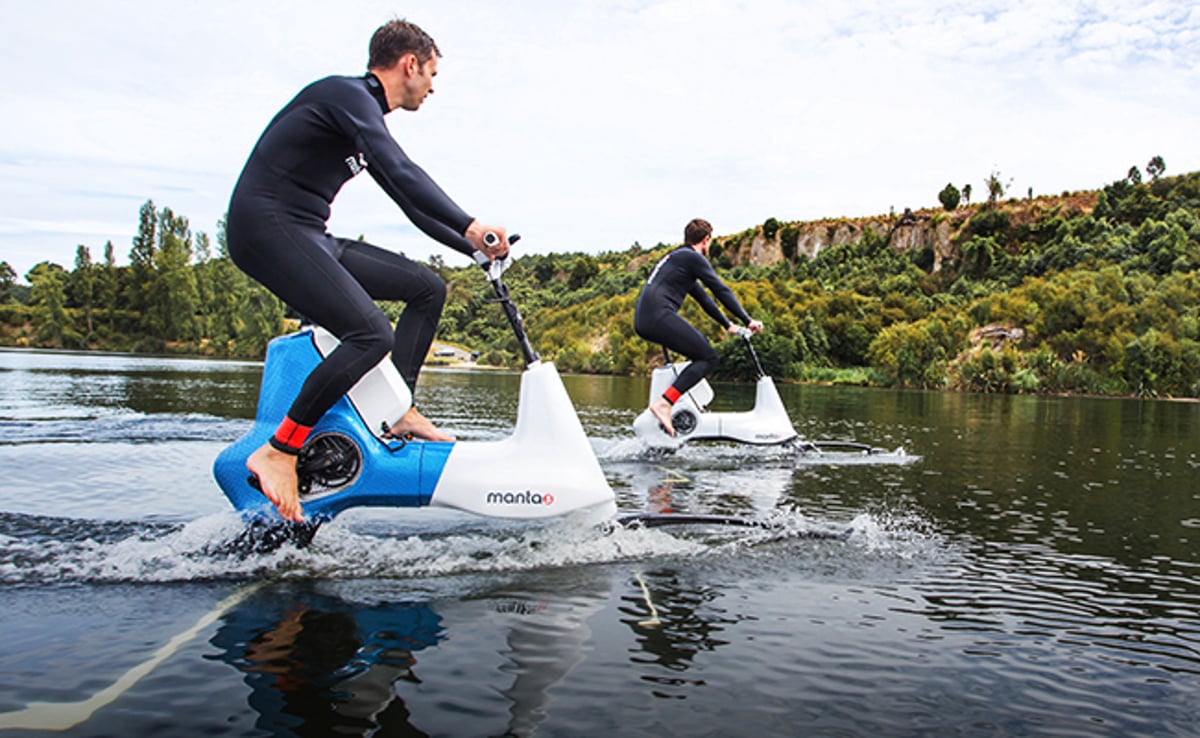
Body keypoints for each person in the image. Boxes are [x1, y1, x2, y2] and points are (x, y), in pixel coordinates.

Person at [226, 19, 509, 523]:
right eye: (432, 74)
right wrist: (471, 225)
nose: (433, 87)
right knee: (370, 334)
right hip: (265, 227)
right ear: (411, 64)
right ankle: (279, 450)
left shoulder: (361, 118)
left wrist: (472, 250)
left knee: (426, 288)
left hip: (309, 232)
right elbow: (404, 171)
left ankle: (397, 410)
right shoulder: (346, 95)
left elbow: (410, 203)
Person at [633, 218, 763, 436]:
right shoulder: (693, 257)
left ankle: (675, 411)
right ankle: (665, 403)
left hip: (646, 319)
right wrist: (747, 320)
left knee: (700, 355)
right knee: (708, 357)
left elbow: (704, 299)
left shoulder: (678, 258)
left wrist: (728, 325)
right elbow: (720, 289)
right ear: (706, 240)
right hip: (658, 315)